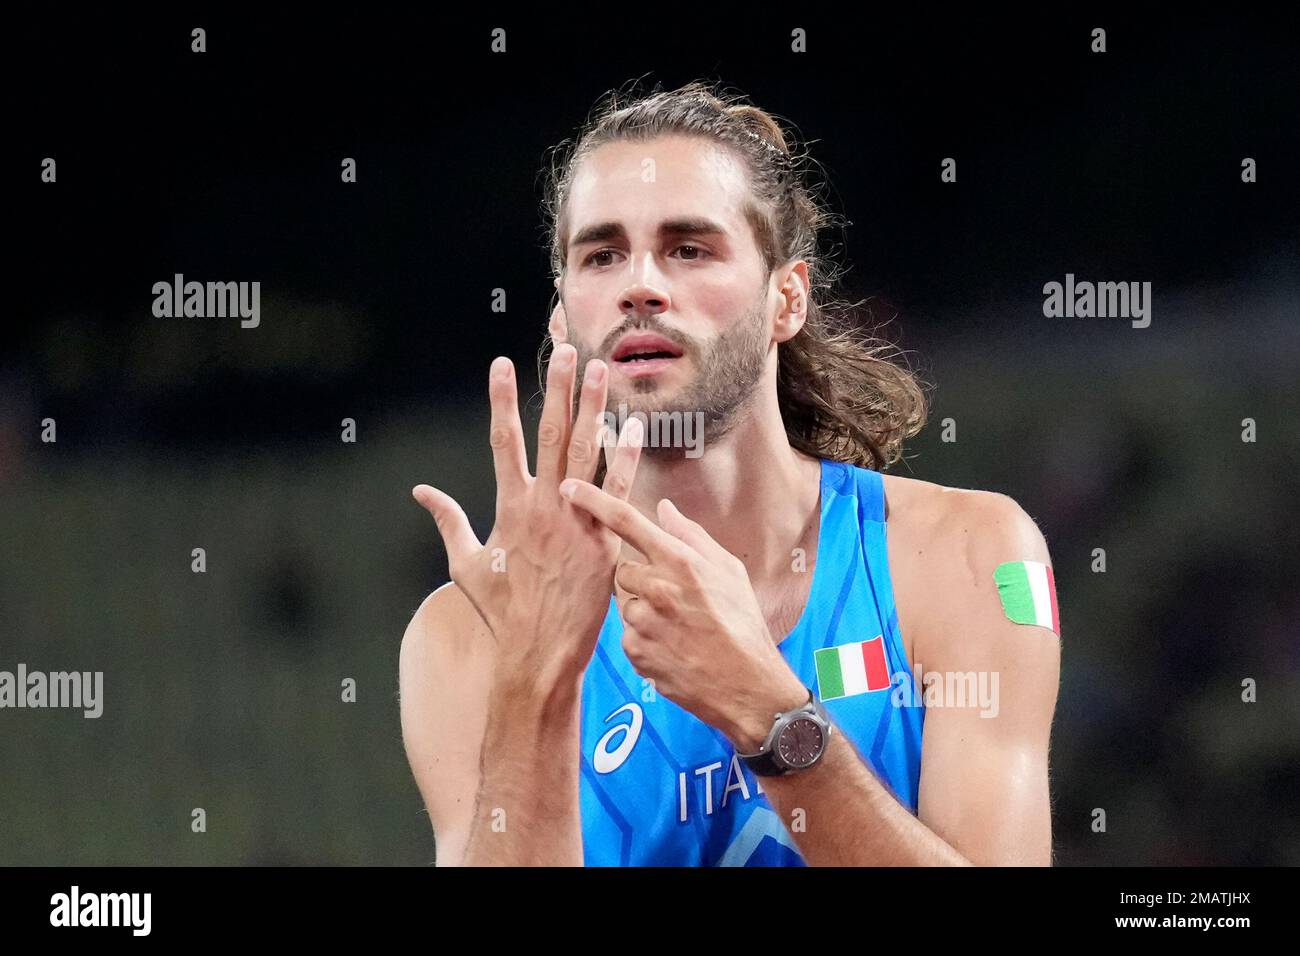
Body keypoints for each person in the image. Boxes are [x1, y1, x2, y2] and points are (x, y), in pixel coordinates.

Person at [400, 81, 1061, 866]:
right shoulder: (466, 634)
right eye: (602, 255)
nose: (641, 286)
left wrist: (769, 713)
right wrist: (535, 679)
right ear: (562, 316)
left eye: (689, 248)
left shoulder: (972, 555)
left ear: (788, 299)